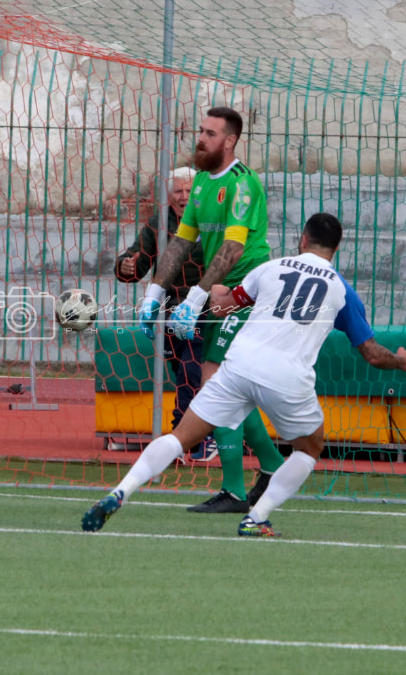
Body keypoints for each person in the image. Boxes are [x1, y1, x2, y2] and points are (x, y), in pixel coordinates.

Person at [84, 212, 406, 536]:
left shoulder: (270, 268)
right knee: (308, 449)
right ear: (337, 248)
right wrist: (401, 361)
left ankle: (121, 491)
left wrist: (215, 293)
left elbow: (223, 306)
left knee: (179, 438)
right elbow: (372, 354)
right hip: (287, 378)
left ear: (303, 239)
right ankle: (256, 518)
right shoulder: (342, 290)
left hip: (239, 365)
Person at [137, 106, 287, 513]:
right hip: (219, 293)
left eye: (209, 133)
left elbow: (234, 247)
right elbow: (182, 241)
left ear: (230, 141)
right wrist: (154, 293)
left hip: (246, 292)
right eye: (200, 131)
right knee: (226, 389)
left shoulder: (243, 184)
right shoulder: (201, 182)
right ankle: (273, 466)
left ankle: (237, 491)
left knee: (215, 385)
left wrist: (196, 298)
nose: (200, 139)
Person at [115, 167, 213, 458]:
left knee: (190, 370)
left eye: (189, 191)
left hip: (207, 310)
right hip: (170, 311)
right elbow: (137, 260)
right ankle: (206, 433)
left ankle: (184, 438)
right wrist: (125, 266)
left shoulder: (214, 222)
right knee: (182, 372)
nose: (184, 197)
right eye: (178, 192)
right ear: (169, 199)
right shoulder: (159, 224)